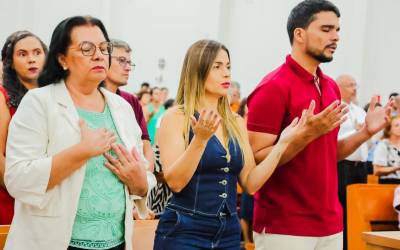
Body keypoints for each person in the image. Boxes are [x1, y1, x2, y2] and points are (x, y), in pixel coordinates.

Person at [246, 1, 392, 249]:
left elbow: (327, 153)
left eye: (337, 30)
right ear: (299, 34)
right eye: (326, 29)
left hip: (330, 222)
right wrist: (306, 135)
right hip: (285, 225)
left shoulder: (330, 86)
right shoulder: (273, 87)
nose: (336, 37)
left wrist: (366, 132)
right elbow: (258, 160)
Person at [4, 16, 155, 250]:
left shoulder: (121, 108)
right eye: (87, 48)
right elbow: (18, 179)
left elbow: (142, 170)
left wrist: (141, 184)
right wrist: (81, 152)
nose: (99, 55)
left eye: (105, 48)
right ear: (62, 58)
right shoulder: (39, 102)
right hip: (56, 242)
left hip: (116, 242)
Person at [153, 39, 306, 249]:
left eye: (228, 66)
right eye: (217, 67)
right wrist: (199, 141)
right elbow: (176, 182)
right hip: (184, 229)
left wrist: (282, 145)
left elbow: (251, 184)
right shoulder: (175, 117)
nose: (226, 73)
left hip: (228, 232)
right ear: (197, 70)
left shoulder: (236, 122)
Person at [0, 30, 47, 225]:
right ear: (10, 61)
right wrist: (24, 192)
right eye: (22, 54)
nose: (31, 59)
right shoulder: (3, 96)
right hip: (14, 197)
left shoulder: (55, 97)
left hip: (50, 195)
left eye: (37, 52)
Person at [104, 38, 154, 172]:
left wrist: (146, 180)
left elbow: (146, 146)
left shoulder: (130, 101)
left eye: (129, 63)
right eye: (121, 61)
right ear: (104, 60)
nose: (127, 68)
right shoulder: (90, 98)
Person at [336, 74, 369, 248]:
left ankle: (354, 244)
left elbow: (369, 135)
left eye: (355, 85)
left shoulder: (359, 110)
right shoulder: (334, 108)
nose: (354, 88)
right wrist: (356, 133)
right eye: (350, 85)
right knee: (342, 208)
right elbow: (333, 139)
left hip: (360, 166)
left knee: (357, 209)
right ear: (339, 87)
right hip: (343, 165)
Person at [373, 115, 400, 184]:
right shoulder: (383, 145)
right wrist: (397, 168)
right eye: (397, 125)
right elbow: (377, 171)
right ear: (389, 129)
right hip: (389, 183)